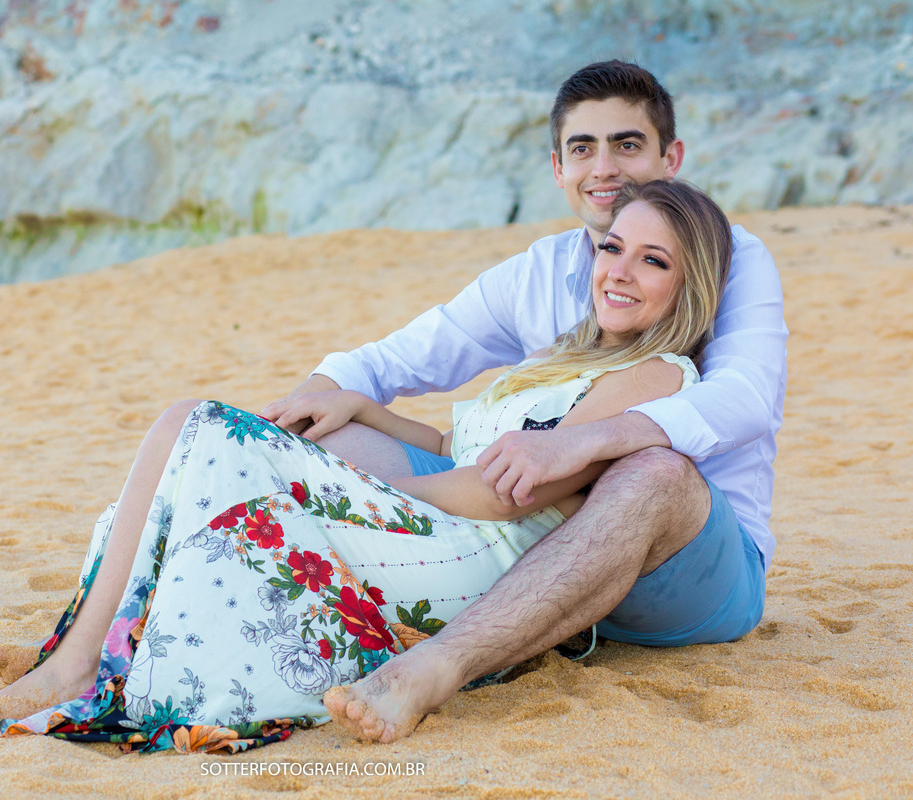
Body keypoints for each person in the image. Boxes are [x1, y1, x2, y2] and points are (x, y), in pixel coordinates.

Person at [0, 179, 736, 753]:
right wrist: (363, 410)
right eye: (614, 248)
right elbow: (458, 448)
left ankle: (84, 662)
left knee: (203, 423)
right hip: (445, 517)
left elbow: (512, 492)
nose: (621, 270)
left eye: (653, 260)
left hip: (477, 553)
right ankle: (98, 646)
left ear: (688, 283)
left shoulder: (656, 375)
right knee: (195, 433)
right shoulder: (569, 354)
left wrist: (362, 495)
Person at [275, 60, 787, 743]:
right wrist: (327, 388)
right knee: (336, 436)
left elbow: (746, 397)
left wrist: (585, 441)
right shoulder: (540, 273)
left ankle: (436, 666)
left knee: (655, 472)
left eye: (627, 145)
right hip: (541, 547)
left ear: (673, 158)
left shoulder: (731, 257)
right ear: (558, 168)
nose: (605, 168)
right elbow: (399, 357)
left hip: (687, 564)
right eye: (584, 148)